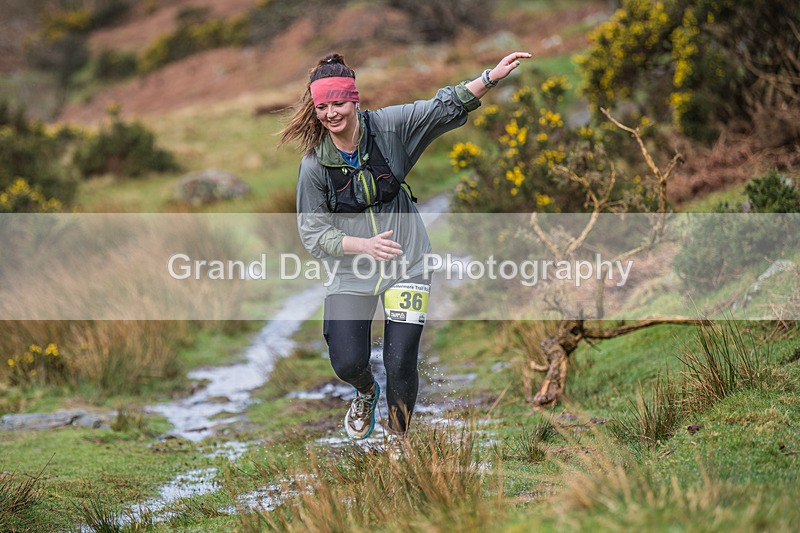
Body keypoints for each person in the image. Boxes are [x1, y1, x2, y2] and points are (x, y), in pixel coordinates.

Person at [281, 50, 532, 443]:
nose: (331, 114)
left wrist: (490, 77)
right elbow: (312, 233)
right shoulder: (315, 166)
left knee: (400, 362)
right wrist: (361, 245)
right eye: (322, 107)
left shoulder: (389, 128)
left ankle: (399, 443)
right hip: (352, 270)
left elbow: (440, 107)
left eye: (338, 104)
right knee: (347, 361)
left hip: (408, 262)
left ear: (355, 99)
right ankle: (365, 392)